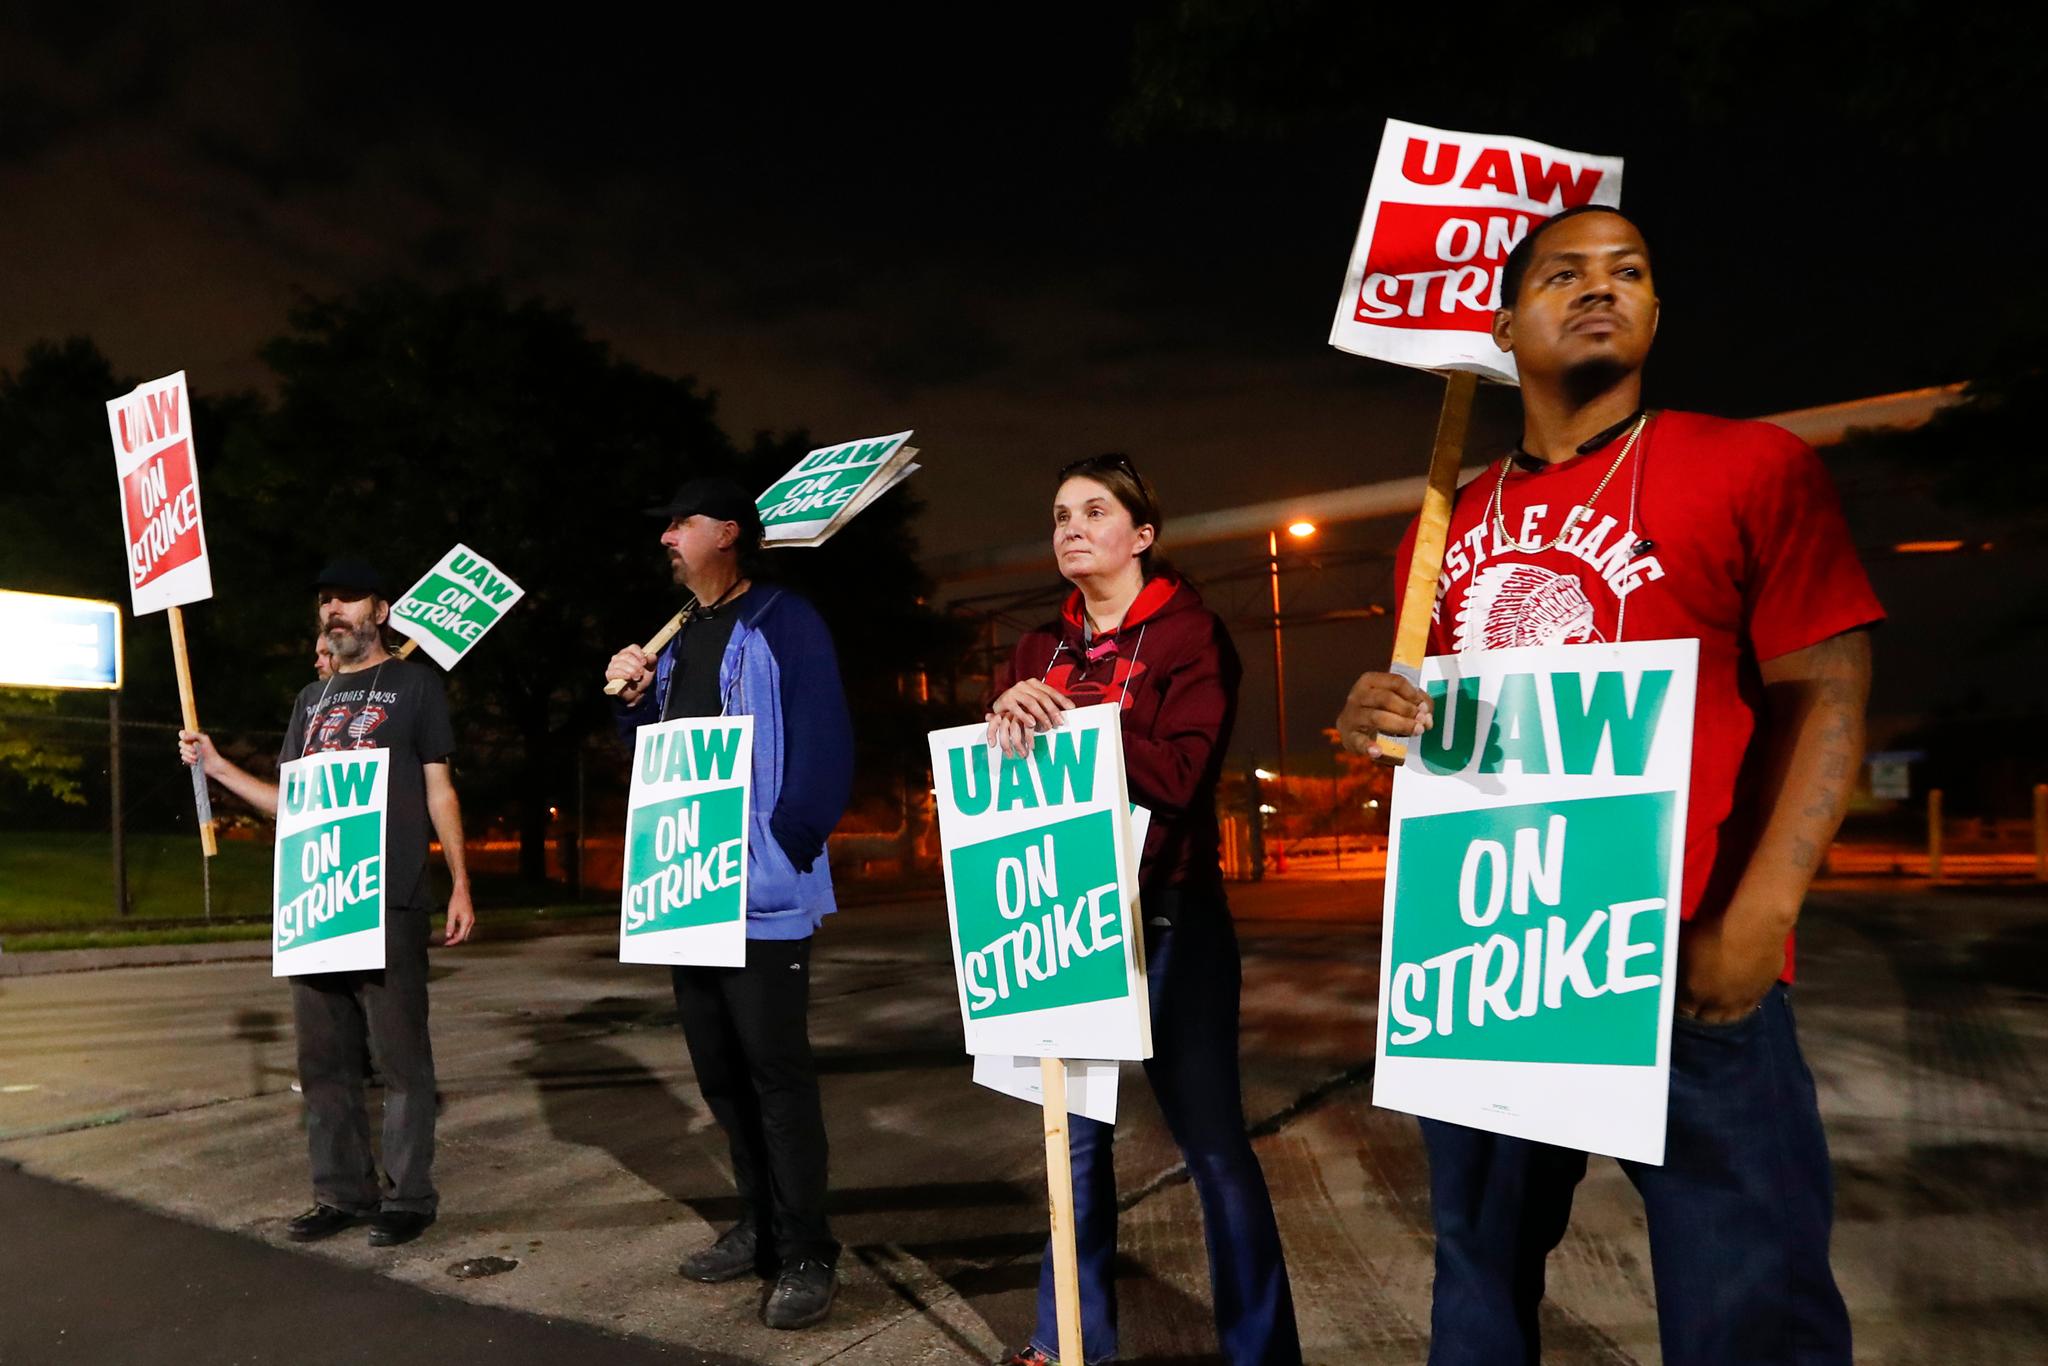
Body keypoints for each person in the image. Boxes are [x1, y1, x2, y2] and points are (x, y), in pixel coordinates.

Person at [1337, 205, 1879, 1365]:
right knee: (1476, 1290)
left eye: (1626, 270)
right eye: (1561, 275)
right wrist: (1370, 718)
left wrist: (1756, 920)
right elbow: (1427, 738)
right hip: (1492, 961)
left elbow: (1825, 687)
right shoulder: (1442, 526)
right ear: (1500, 324)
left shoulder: (1748, 464)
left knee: (1745, 1301)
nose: (1598, 287)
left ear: (1655, 309)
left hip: (1684, 964)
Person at [986, 454, 1301, 1366]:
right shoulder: (1032, 650)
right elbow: (1009, 779)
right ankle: (1065, 1343)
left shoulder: (1191, 635)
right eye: (1057, 517)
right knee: (1070, 1142)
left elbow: (1181, 777)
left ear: (1142, 535)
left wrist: (1083, 712)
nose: (1070, 528)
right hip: (1065, 917)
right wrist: (1002, 708)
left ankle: (1262, 1350)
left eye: (1092, 511)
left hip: (1170, 918)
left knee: (1212, 1148)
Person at [605, 475, 854, 1332]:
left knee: (776, 1075)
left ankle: (807, 1249)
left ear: (730, 533)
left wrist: (785, 843)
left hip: (763, 892)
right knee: (719, 1075)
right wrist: (634, 702)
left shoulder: (785, 619)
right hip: (689, 890)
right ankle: (758, 1227)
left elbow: (825, 740)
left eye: (683, 522)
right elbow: (661, 760)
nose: (667, 536)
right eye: (665, 523)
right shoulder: (677, 639)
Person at [180, 557, 474, 1248]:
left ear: (381, 609)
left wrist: (459, 880)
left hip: (389, 896)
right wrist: (219, 767)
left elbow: (440, 790)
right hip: (316, 897)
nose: (333, 610)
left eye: (348, 599)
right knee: (324, 1064)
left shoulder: (414, 686)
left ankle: (410, 1199)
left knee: (401, 1059)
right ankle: (342, 1194)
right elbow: (291, 804)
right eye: (325, 601)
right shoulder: (308, 704)